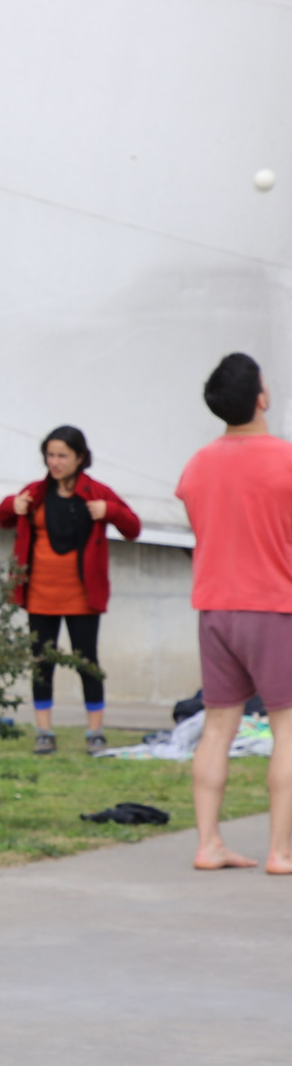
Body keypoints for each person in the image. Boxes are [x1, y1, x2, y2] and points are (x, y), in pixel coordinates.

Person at [174, 352, 292, 874]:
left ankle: (209, 843)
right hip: (274, 606)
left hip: (215, 608)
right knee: (287, 726)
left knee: (219, 724)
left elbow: (203, 525)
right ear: (261, 398)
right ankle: (280, 851)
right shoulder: (286, 460)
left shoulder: (198, 463)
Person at [0, 425, 141, 755]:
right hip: (39, 594)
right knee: (41, 662)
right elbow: (3, 516)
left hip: (83, 596)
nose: (55, 462)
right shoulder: (34, 492)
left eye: (63, 455)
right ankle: (44, 732)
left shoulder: (97, 492)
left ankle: (95, 733)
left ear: (80, 458)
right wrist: (11, 505)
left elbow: (133, 527)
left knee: (87, 661)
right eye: (50, 455)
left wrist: (110, 511)